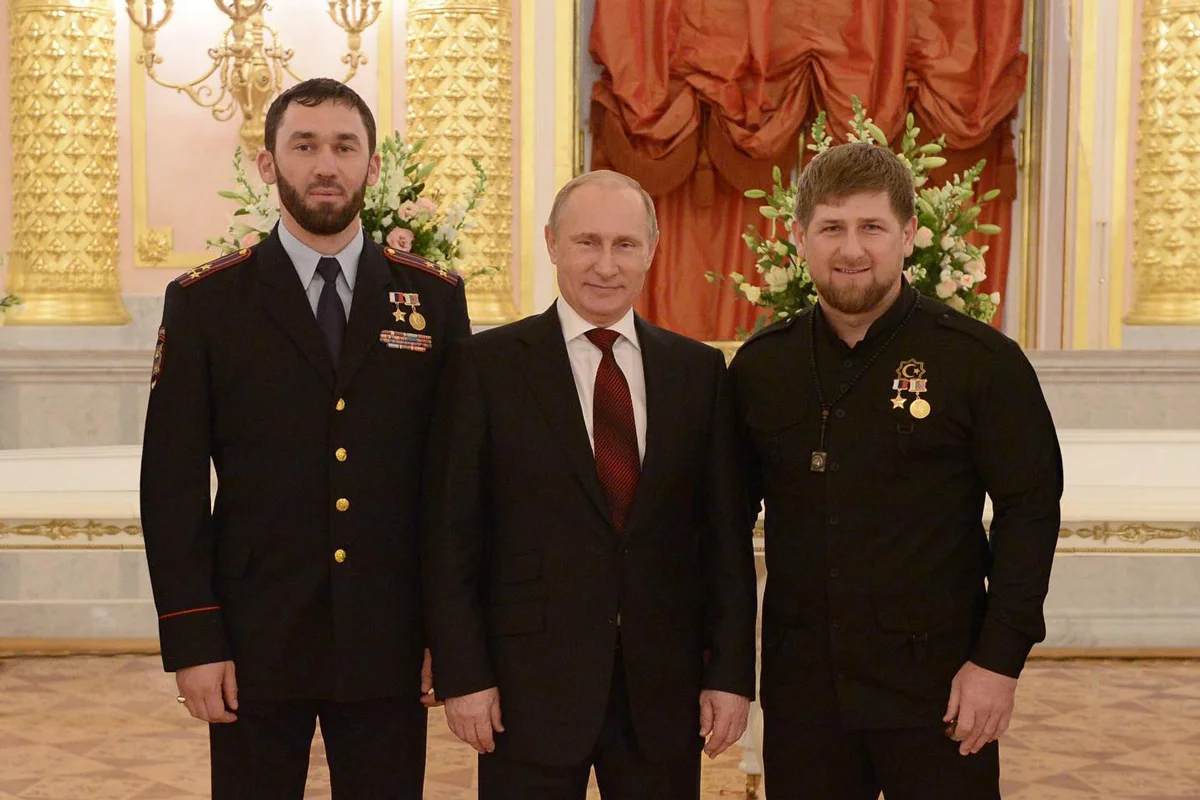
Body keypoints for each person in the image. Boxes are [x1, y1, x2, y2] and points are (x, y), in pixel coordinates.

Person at [140, 78, 470, 798]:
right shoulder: (207, 302)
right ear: (268, 164)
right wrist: (194, 640)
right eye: (305, 145)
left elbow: (453, 486)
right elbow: (171, 485)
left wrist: (447, 633)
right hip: (253, 636)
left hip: (390, 633)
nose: (326, 165)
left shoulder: (434, 299)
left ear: (373, 167)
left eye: (345, 147)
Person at [727, 142, 1062, 799]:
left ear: (907, 235)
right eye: (832, 227)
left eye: (872, 227)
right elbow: (723, 527)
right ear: (799, 237)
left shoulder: (980, 362)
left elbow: (1029, 513)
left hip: (941, 691)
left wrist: (998, 663)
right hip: (805, 699)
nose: (851, 249)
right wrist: (725, 669)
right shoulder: (762, 367)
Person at [421, 170, 757, 799]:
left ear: (651, 251)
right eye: (587, 242)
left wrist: (731, 676)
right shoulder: (486, 367)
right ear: (552, 243)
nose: (606, 265)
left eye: (625, 244)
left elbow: (725, 541)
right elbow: (451, 535)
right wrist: (464, 675)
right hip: (527, 689)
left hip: (663, 692)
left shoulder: (697, 372)